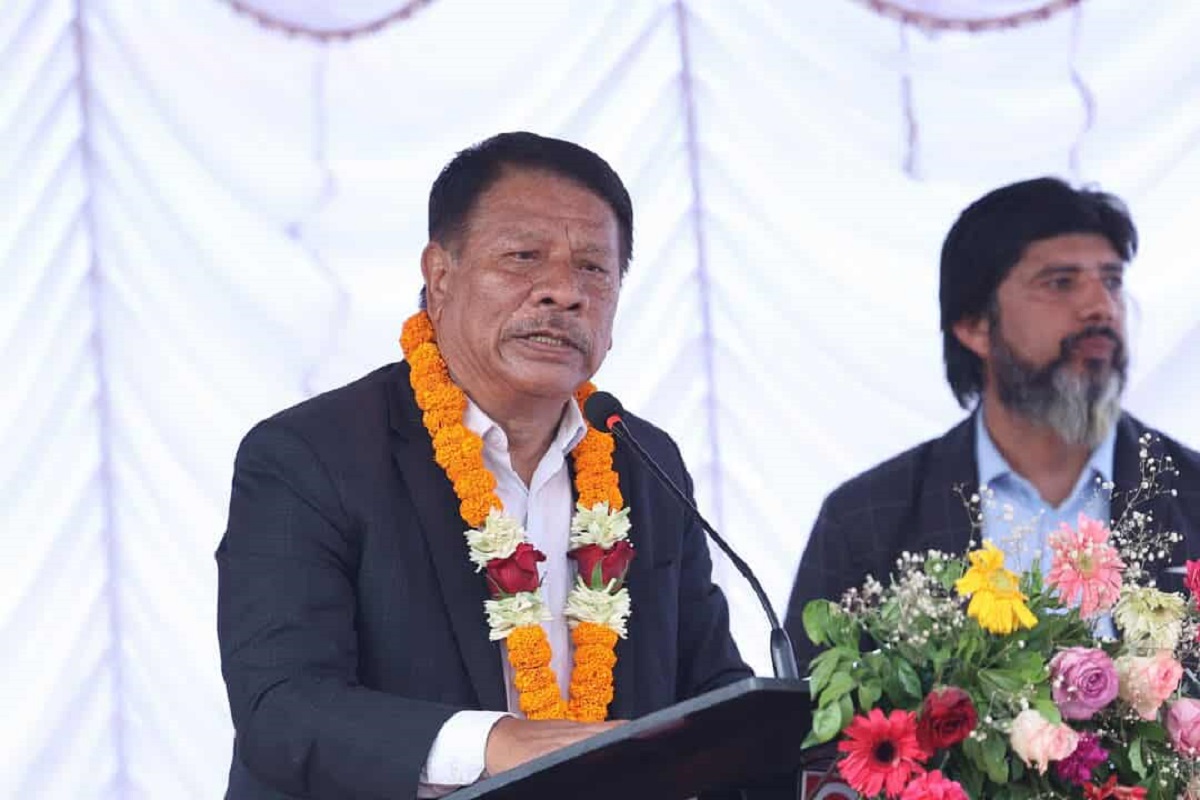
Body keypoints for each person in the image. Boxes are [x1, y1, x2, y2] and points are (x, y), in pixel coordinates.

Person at [216, 132, 751, 799]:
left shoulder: (642, 460)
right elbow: (282, 708)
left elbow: (709, 689)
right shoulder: (311, 456)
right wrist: (497, 743)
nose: (564, 293)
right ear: (440, 276)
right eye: (524, 257)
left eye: (594, 268)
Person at [783, 176, 1200, 673]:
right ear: (974, 325)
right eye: (1060, 283)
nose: (1101, 307)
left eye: (1111, 281)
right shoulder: (867, 522)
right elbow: (807, 715)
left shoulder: (1191, 495)